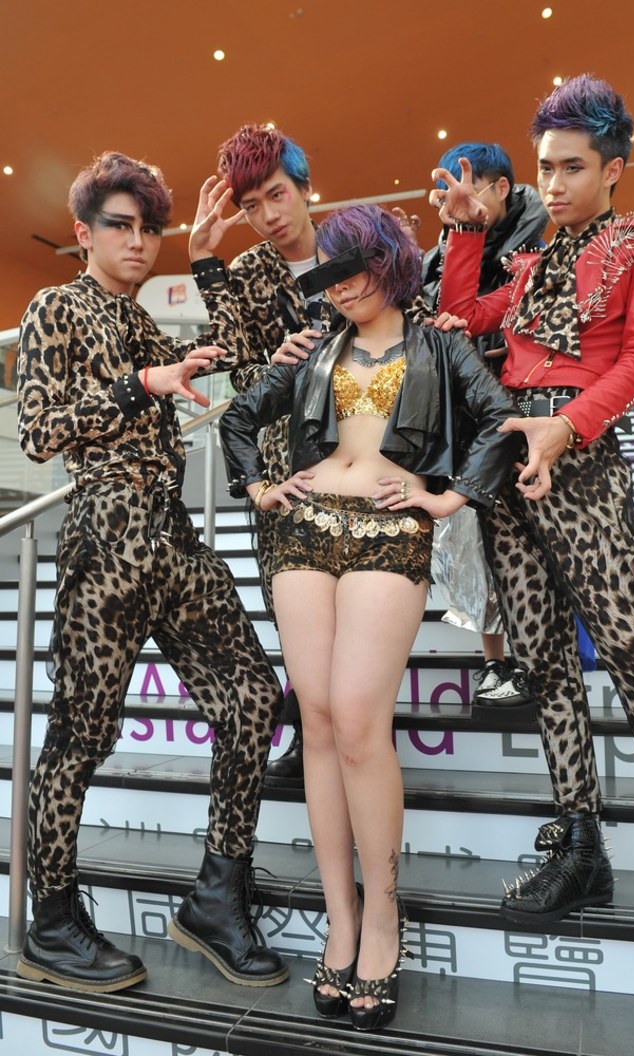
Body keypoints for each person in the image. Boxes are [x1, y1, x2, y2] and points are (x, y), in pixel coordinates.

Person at [434, 74, 634, 1002]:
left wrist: (573, 425)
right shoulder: (530, 260)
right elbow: (464, 318)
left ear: (614, 169)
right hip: (509, 470)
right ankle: (580, 845)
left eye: (571, 167)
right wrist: (465, 228)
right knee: (542, 666)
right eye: (544, 168)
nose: (554, 184)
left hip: (583, 461)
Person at [219, 204, 522, 1029]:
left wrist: (446, 496)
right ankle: (341, 921)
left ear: (390, 262)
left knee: (358, 720)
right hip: (302, 534)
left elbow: (499, 421)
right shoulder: (315, 349)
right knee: (315, 722)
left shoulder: (440, 342)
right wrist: (257, 485)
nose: (339, 285)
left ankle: (384, 915)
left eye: (350, 267)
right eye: (328, 272)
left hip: (393, 532)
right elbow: (240, 417)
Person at [15, 152, 288, 993]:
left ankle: (216, 893)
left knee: (251, 698)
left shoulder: (142, 321)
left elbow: (250, 354)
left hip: (171, 536)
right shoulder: (55, 306)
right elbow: (37, 431)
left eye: (151, 228)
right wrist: (143, 385)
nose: (139, 242)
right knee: (82, 736)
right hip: (106, 535)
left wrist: (208, 254)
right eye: (121, 226)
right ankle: (52, 919)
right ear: (84, 233)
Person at [188, 123, 335, 792]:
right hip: (281, 474)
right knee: (294, 616)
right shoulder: (247, 273)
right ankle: (308, 734)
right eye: (250, 207)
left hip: (361, 467)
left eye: (276, 195)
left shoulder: (359, 250)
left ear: (305, 187)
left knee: (355, 615)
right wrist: (204, 264)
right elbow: (239, 376)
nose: (268, 216)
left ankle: (351, 733)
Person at [422, 142, 548, 708]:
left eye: (470, 189)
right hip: (472, 413)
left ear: (501, 188)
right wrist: (457, 235)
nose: (459, 201)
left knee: (529, 543)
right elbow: (451, 316)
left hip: (533, 409)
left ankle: (536, 657)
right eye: (451, 191)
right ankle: (497, 661)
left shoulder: (543, 242)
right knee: (476, 539)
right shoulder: (446, 245)